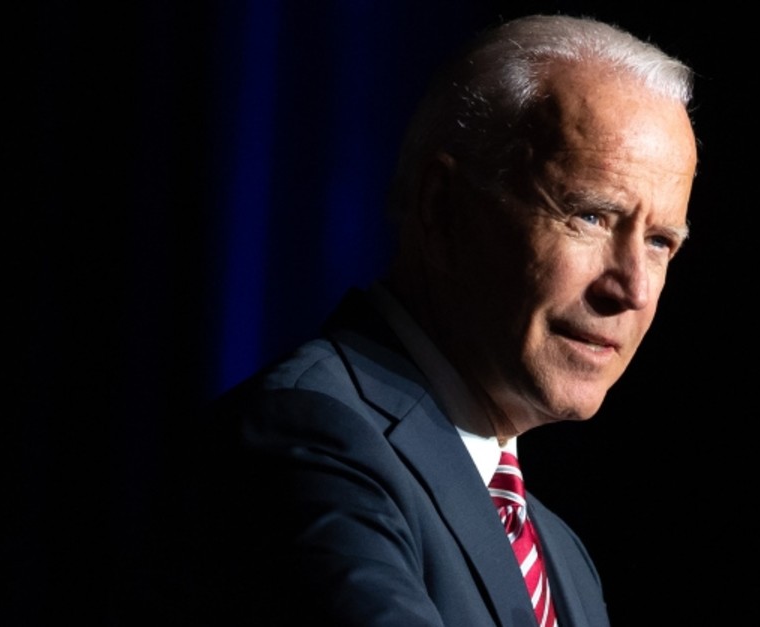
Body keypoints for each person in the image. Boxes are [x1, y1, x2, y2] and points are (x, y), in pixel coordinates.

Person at [160, 13, 698, 627]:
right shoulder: (309, 439)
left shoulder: (563, 558)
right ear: (443, 211)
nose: (630, 287)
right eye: (591, 216)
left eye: (659, 242)